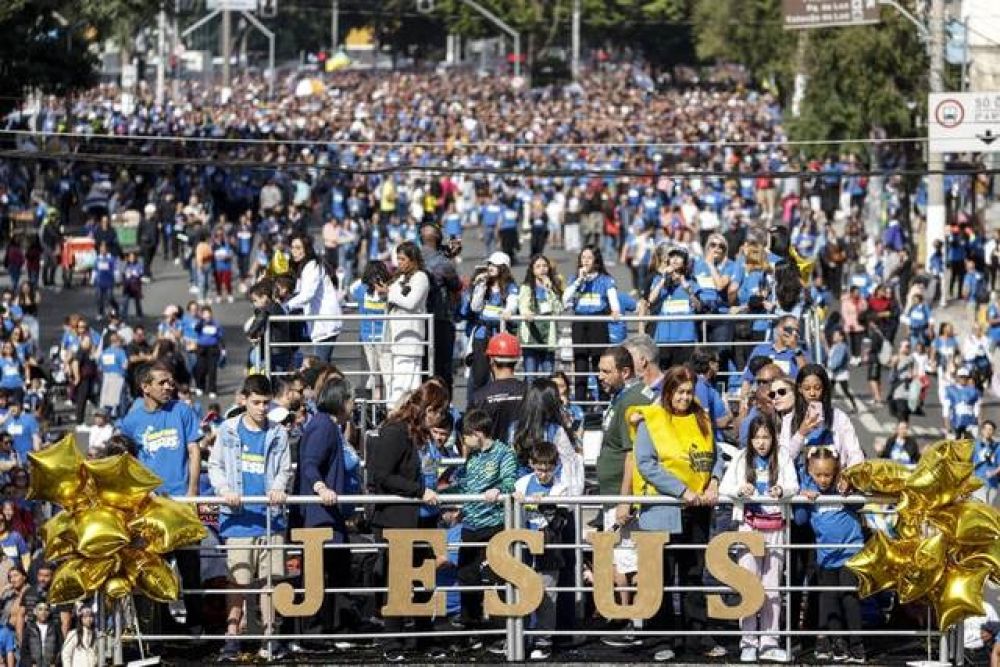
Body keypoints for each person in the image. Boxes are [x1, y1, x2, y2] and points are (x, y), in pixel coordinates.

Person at [630, 365, 726, 661]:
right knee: (658, 574)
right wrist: (681, 491)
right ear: (668, 392)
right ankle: (659, 640)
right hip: (662, 509)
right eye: (679, 392)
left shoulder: (702, 418)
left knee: (694, 574)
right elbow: (646, 464)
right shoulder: (651, 419)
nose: (685, 398)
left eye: (689, 392)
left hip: (697, 509)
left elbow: (717, 455)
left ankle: (697, 637)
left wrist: (714, 481)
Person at [209, 374, 292, 662]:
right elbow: (215, 465)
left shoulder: (278, 432)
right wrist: (224, 489)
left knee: (271, 582)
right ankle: (232, 636)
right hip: (238, 517)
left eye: (266, 403)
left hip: (271, 517)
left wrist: (279, 488)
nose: (261, 408)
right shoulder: (228, 430)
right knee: (238, 580)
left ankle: (270, 636)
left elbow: (284, 468)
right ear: (244, 400)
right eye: (256, 402)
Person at [116, 362, 204, 633]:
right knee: (156, 567)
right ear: (146, 387)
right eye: (162, 382)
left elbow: (194, 452)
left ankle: (197, 625)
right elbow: (125, 462)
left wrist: (192, 493)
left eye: (171, 381)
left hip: (181, 503)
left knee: (190, 567)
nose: (170, 386)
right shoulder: (131, 421)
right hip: (150, 507)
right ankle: (162, 626)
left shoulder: (182, 410)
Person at [368, 381, 447, 662]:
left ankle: (425, 639)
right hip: (397, 519)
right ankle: (394, 642)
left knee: (425, 580)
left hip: (423, 519)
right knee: (399, 582)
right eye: (440, 412)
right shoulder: (395, 431)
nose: (441, 418)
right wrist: (419, 491)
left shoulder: (421, 435)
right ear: (429, 409)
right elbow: (381, 475)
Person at [718, 414, 798, 663]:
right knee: (749, 584)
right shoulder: (742, 458)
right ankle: (749, 641)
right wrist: (740, 490)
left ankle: (769, 641)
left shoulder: (783, 457)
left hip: (776, 527)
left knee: (772, 586)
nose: (761, 443)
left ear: (773, 438)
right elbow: (724, 488)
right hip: (749, 527)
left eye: (765, 437)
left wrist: (781, 491)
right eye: (756, 437)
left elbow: (793, 485)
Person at [449, 408, 518, 653]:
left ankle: (503, 632)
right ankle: (471, 631)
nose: (463, 441)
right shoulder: (472, 457)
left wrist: (499, 489)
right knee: (467, 578)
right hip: (471, 525)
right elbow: (462, 484)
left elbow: (511, 480)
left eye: (465, 436)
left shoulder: (504, 453)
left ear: (477, 433)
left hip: (495, 525)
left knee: (498, 578)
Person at [794, 448, 865, 663]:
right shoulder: (810, 491)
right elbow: (799, 520)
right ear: (810, 472)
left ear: (835, 473)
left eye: (828, 475)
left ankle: (857, 645)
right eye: (819, 475)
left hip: (850, 552)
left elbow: (861, 503)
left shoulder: (843, 487)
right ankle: (837, 642)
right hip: (826, 556)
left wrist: (850, 488)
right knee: (829, 599)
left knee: (849, 597)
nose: (823, 480)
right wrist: (803, 499)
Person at [512, 441, 571, 661]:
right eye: (539, 469)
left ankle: (544, 641)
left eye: (547, 469)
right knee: (522, 594)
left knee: (547, 597)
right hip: (523, 550)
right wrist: (517, 499)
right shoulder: (521, 483)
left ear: (555, 467)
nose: (543, 474)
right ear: (531, 464)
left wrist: (546, 505)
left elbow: (560, 522)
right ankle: (522, 637)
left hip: (549, 551)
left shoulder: (561, 488)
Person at [563, 246, 620, 401]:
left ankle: (603, 403)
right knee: (580, 364)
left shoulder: (605, 279)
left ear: (596, 259)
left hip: (598, 324)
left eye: (589, 257)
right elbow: (564, 300)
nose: (585, 261)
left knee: (599, 364)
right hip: (580, 323)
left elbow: (614, 301)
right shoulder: (575, 279)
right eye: (583, 257)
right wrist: (579, 281)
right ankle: (581, 404)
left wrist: (615, 310)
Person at [509, 378, 584, 496]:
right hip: (550, 495)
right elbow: (568, 466)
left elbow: (511, 465)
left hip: (521, 493)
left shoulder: (515, 429)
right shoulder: (556, 431)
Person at [381, 241, 429, 407]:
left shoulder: (420, 277)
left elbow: (411, 303)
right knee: (398, 379)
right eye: (398, 259)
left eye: (402, 259)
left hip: (411, 338)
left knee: (409, 381)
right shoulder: (400, 278)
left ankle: (400, 411)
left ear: (413, 259)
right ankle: (396, 411)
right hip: (396, 337)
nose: (399, 263)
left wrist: (389, 293)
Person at [285, 233, 342, 363]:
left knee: (321, 366)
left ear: (307, 249)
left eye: (299, 248)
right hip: (319, 324)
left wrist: (286, 306)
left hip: (325, 322)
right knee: (322, 365)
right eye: (293, 247)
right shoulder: (305, 267)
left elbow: (307, 294)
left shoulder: (312, 266)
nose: (295, 251)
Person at [642, 244, 699, 370]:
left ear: (685, 263)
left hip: (685, 337)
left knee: (683, 374)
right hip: (663, 337)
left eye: (679, 257)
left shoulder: (691, 282)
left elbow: (698, 307)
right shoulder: (659, 279)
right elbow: (650, 300)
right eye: (672, 256)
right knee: (663, 374)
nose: (675, 259)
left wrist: (688, 291)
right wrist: (663, 279)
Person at [468, 251, 518, 395]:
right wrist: (481, 286)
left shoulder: (510, 286)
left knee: (500, 372)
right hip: (482, 334)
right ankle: (478, 402)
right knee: (479, 374)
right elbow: (475, 307)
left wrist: (508, 311)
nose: (490, 267)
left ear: (503, 267)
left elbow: (512, 304)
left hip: (499, 333)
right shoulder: (484, 285)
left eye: (494, 264)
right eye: (489, 264)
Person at [420, 224, 462, 391]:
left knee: (423, 367)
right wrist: (449, 258)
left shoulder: (414, 257)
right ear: (438, 238)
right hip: (440, 320)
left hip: (418, 320)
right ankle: (444, 408)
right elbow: (456, 285)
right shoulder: (444, 263)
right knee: (442, 369)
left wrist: (447, 252)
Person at [467, 332, 526, 442]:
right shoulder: (530, 392)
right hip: (523, 458)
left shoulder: (480, 397)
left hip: (491, 458)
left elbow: (470, 438)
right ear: (517, 361)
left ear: (491, 360)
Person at [518, 254, 564, 377]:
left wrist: (549, 290)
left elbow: (559, 309)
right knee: (530, 376)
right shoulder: (526, 287)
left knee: (548, 376)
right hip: (531, 336)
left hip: (548, 336)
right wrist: (526, 312)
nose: (542, 269)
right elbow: (523, 306)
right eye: (538, 266)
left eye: (544, 266)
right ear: (532, 270)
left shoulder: (553, 287)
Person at [740, 315, 807, 396]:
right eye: (789, 329)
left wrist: (795, 349)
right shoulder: (760, 350)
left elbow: (806, 377)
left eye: (797, 331)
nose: (794, 334)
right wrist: (743, 402)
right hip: (763, 400)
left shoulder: (800, 354)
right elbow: (747, 380)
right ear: (779, 329)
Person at [193, 305, 224, 399]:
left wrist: (223, 349)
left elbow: (221, 335)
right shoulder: (200, 323)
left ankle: (212, 389)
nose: (207, 315)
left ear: (211, 313)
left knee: (212, 370)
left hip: (213, 348)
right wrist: (203, 321)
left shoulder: (216, 323)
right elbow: (196, 329)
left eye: (208, 313)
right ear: (202, 314)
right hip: (201, 348)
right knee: (201, 368)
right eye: (204, 313)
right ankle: (200, 386)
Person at [944, 367, 981, 440]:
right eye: (961, 377)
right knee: (954, 443)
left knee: (969, 444)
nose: (963, 379)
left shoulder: (974, 391)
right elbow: (946, 408)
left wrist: (978, 421)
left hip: (970, 421)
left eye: (965, 377)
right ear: (957, 377)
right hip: (956, 421)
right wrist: (947, 424)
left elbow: (977, 408)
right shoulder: (951, 390)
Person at [825, 329, 857, 412]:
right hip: (834, 373)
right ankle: (825, 408)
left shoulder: (842, 347)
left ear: (841, 337)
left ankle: (854, 406)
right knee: (828, 390)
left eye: (836, 335)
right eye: (834, 335)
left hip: (840, 373)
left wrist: (830, 367)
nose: (834, 337)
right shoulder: (835, 346)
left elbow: (838, 360)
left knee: (845, 390)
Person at [23, 601, 62, 667]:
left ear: (49, 612)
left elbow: (60, 648)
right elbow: (24, 650)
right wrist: (30, 663)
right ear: (35, 612)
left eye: (46, 610)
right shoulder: (29, 629)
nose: (43, 612)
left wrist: (55, 662)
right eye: (40, 609)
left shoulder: (55, 628)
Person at [973, 420, 999, 506]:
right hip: (979, 483)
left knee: (989, 510)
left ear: (993, 432)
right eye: (986, 429)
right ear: (982, 431)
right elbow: (969, 463)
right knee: (981, 510)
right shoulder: (975, 445)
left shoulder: (997, 447)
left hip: (992, 484)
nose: (988, 432)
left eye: (990, 429)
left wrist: (993, 472)